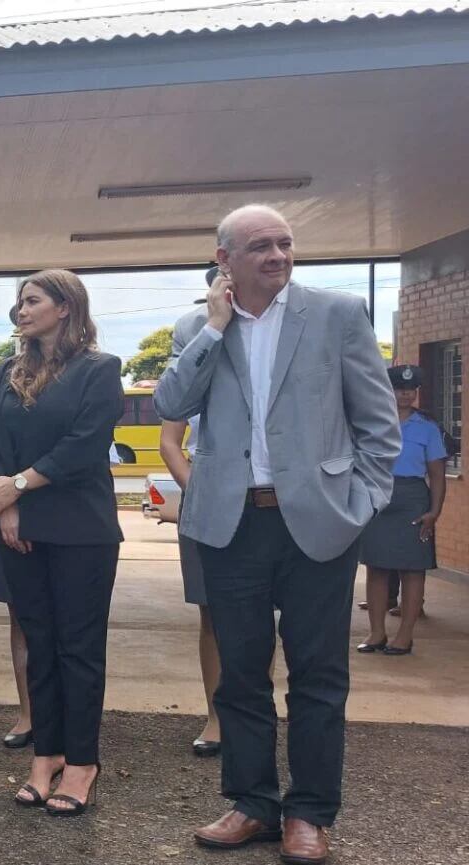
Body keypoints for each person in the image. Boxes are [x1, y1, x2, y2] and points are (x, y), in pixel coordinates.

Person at [156, 205, 398, 864]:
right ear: (224, 257)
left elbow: (378, 423)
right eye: (260, 246)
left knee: (318, 674)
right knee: (240, 673)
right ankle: (252, 803)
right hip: (231, 525)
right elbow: (171, 406)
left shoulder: (338, 314)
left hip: (318, 523)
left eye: (284, 243)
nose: (277, 255)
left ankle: (310, 813)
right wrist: (212, 328)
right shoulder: (197, 328)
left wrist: (364, 501)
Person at [0, 269, 123, 816]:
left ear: (65, 308)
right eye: (18, 301)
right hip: (18, 527)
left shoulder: (99, 369)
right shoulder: (4, 371)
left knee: (78, 648)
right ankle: (48, 754)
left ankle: (83, 763)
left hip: (81, 529)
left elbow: (86, 444)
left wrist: (21, 484)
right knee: (39, 644)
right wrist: (8, 506)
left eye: (32, 300)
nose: (21, 309)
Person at [356, 364, 448, 656]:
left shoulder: (428, 427)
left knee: (412, 570)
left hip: (412, 500)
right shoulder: (374, 421)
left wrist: (434, 511)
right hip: (378, 495)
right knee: (377, 568)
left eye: (411, 389)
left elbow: (436, 475)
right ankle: (377, 632)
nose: (406, 393)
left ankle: (404, 636)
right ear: (388, 389)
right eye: (399, 388)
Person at [159, 415, 224, 757]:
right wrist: (197, 491)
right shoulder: (192, 362)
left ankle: (252, 716)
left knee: (257, 613)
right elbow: (169, 442)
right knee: (210, 611)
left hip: (259, 488)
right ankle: (216, 717)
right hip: (200, 486)